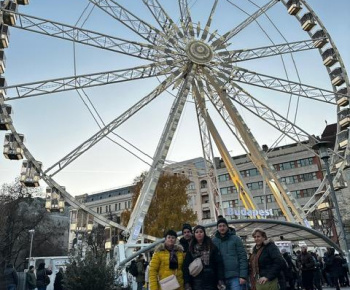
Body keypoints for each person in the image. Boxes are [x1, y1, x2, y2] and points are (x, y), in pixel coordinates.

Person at [183, 225, 225, 290]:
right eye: (197, 232)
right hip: (196, 282)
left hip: (211, 281)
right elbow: (186, 266)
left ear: (204, 233)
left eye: (201, 232)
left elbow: (219, 264)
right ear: (194, 234)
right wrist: (187, 283)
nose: (199, 234)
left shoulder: (212, 247)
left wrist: (220, 279)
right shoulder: (191, 249)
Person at [212, 216, 248, 290]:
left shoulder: (236, 239)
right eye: (220, 226)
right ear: (217, 228)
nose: (222, 228)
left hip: (236, 277)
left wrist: (243, 276)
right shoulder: (214, 241)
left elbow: (242, 257)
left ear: (227, 227)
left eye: (224, 226)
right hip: (221, 278)